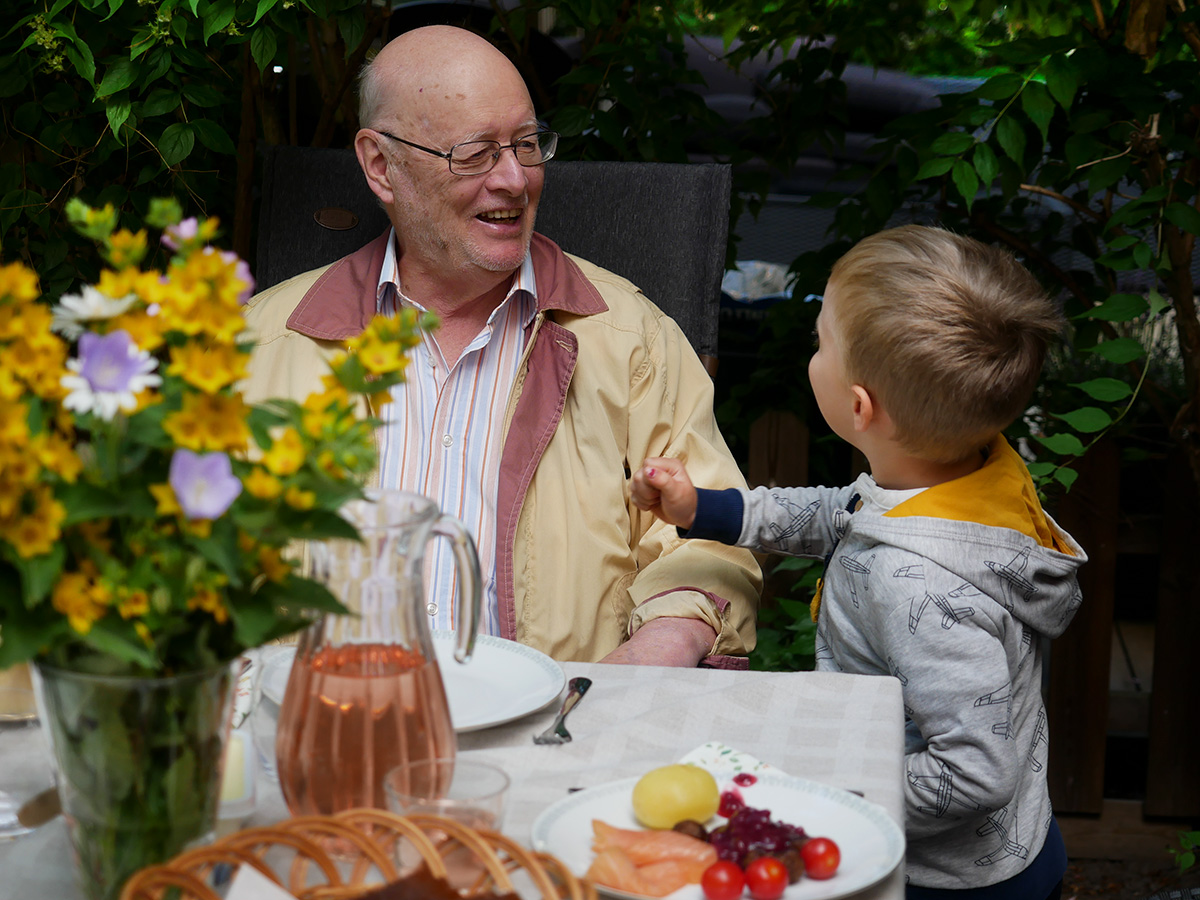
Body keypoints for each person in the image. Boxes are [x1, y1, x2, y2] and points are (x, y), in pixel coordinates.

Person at [241, 25, 760, 667]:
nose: (515, 179)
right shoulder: (256, 349)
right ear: (381, 166)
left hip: (555, 736)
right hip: (326, 730)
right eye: (477, 153)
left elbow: (713, 535)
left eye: (526, 144)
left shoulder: (631, 339)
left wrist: (667, 639)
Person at [632, 225, 1085, 898]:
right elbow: (840, 512)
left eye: (822, 342)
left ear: (860, 406)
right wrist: (707, 510)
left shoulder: (922, 593)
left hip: (952, 878)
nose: (813, 352)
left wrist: (826, 795)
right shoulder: (962, 480)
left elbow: (976, 775)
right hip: (998, 845)